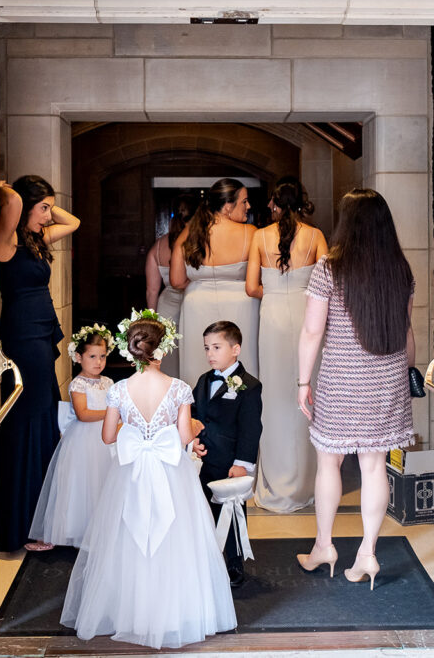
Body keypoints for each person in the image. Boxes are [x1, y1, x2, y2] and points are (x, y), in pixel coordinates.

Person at [61, 311, 237, 649]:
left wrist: (138, 433)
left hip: (131, 473)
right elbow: (185, 436)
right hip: (171, 472)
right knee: (175, 537)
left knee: (130, 536)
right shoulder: (179, 389)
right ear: (162, 351)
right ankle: (175, 613)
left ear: (131, 351)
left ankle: (131, 612)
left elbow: (108, 436)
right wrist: (179, 430)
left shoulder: (120, 390)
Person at [295, 188, 416, 590]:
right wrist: (405, 372)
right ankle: (367, 553)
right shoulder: (401, 269)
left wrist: (303, 381)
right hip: (387, 378)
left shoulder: (329, 269)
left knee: (328, 462)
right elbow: (407, 333)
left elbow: (313, 331)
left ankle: (324, 547)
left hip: (343, 380)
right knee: (373, 465)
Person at [0, 175, 81, 552]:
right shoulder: (6, 241)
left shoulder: (33, 239)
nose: (49, 216)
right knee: (28, 422)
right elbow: (11, 203)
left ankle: (42, 519)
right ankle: (22, 526)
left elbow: (73, 222)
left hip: (42, 333)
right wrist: (8, 191)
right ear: (24, 206)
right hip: (23, 337)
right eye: (43, 207)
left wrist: (45, 205)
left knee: (45, 418)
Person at [246, 177, 327, 513]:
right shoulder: (316, 236)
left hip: (274, 318)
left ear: (276, 204)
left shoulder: (259, 236)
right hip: (308, 316)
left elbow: (252, 287)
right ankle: (307, 482)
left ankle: (277, 481)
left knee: (276, 395)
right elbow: (328, 281)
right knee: (308, 391)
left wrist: (277, 293)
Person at [27, 325, 116, 549]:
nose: (98, 362)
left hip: (106, 438)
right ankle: (76, 530)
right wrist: (112, 413)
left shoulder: (108, 382)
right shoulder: (78, 384)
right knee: (82, 484)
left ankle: (100, 531)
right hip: (83, 441)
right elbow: (83, 414)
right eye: (92, 356)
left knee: (104, 482)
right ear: (78, 357)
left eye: (103, 356)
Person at [190, 320, 263, 588]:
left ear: (235, 349)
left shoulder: (249, 386)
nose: (210, 353)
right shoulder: (203, 380)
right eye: (207, 348)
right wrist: (193, 441)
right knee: (205, 510)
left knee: (231, 514)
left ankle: (235, 562)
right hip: (204, 459)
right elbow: (196, 414)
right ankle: (207, 559)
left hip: (230, 462)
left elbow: (251, 428)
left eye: (217, 347)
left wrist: (242, 464)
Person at [170, 178, 259, 383]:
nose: (248, 206)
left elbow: (176, 280)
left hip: (196, 305)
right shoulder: (251, 233)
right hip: (242, 307)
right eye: (244, 201)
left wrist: (200, 282)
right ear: (228, 206)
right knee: (241, 366)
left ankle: (199, 410)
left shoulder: (190, 233)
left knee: (199, 365)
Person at [144, 194, 195, 377]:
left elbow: (152, 291)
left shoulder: (158, 247)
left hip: (166, 309)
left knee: (169, 358)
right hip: (195, 304)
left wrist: (151, 323)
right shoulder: (198, 244)